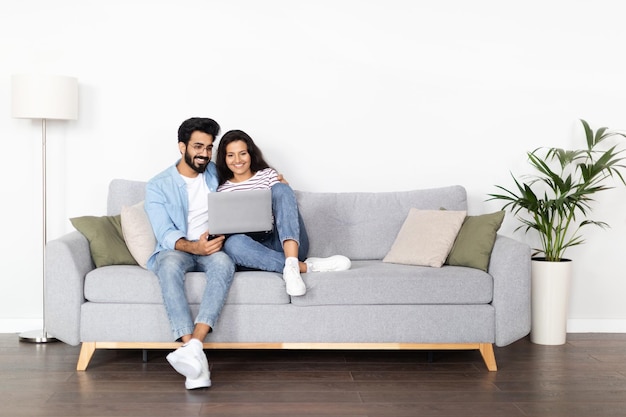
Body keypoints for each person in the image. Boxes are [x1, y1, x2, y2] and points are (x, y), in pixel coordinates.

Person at [144, 117, 235, 390]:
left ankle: (194, 346)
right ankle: (190, 347)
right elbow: (164, 233)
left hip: (212, 248)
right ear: (181, 146)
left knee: (224, 264)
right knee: (168, 266)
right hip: (179, 249)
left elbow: (245, 186)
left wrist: (274, 179)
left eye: (209, 147)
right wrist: (194, 246)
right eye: (198, 146)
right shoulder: (157, 185)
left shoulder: (216, 174)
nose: (205, 154)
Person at [215, 129, 351, 296]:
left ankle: (293, 259)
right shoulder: (222, 190)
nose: (237, 160)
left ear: (250, 154)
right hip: (255, 250)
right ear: (224, 158)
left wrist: (284, 191)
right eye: (231, 155)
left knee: (281, 188)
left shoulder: (268, 175)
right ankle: (302, 267)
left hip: (284, 241)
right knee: (233, 244)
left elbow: (285, 208)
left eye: (242, 153)